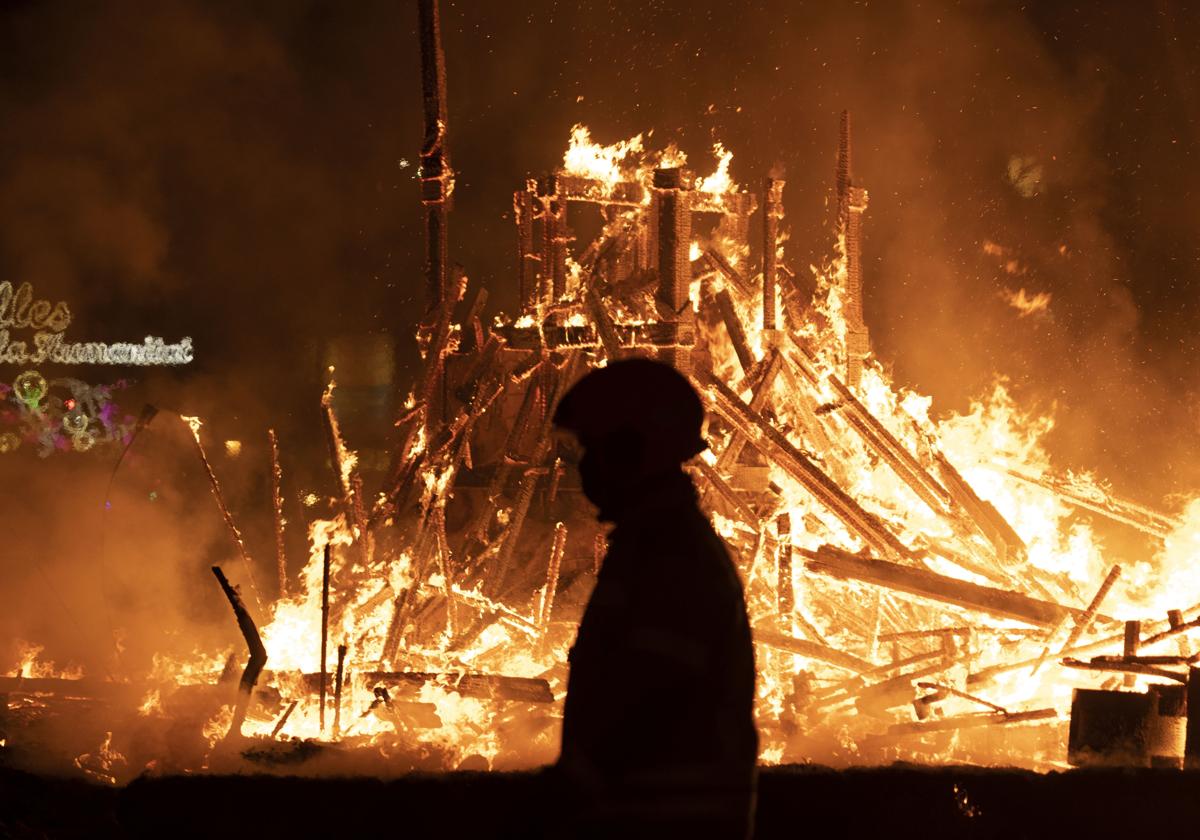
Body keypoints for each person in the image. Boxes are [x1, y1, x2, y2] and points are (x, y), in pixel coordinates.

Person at [550, 357, 758, 839]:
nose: (585, 470)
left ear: (629, 452)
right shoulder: (651, 545)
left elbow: (642, 701)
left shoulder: (672, 556)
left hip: (667, 823)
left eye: (592, 450)